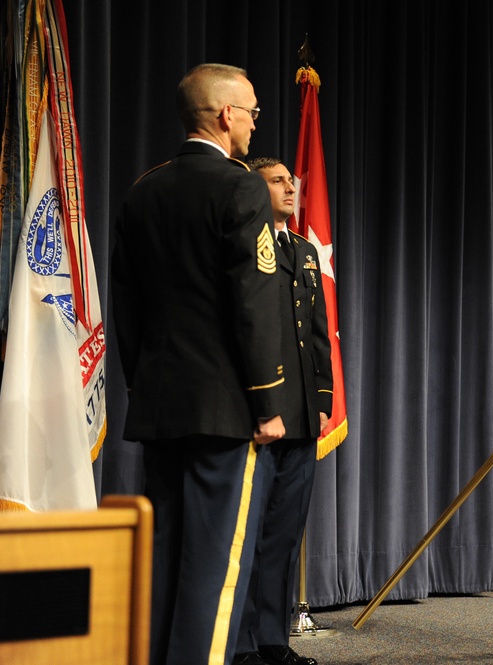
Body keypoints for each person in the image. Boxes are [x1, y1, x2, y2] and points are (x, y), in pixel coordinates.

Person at [111, 63, 285, 665]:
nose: (256, 124)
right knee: (216, 566)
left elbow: (125, 306)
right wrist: (268, 404)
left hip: (160, 406)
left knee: (164, 556)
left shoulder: (143, 189)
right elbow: (254, 305)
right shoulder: (239, 186)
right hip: (228, 410)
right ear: (226, 115)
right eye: (254, 112)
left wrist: (142, 385)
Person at [233, 158, 333, 665]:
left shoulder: (304, 250)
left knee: (284, 531)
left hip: (299, 413)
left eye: (292, 182)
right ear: (254, 187)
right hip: (259, 411)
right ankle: (241, 643)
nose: (291, 188)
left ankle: (273, 641)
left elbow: (317, 331)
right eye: (278, 181)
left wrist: (322, 401)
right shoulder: (244, 243)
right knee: (245, 532)